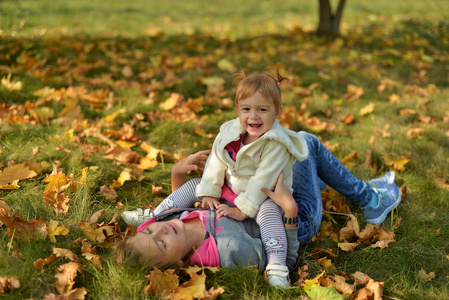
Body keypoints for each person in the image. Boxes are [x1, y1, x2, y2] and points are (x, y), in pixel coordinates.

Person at [121, 133, 402, 287]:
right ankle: (371, 201)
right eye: (160, 241)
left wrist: (176, 174)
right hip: (294, 217)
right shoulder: (230, 248)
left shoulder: (164, 227)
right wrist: (289, 207)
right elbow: (284, 253)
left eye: (150, 229)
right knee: (305, 144)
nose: (161, 228)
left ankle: (335, 184)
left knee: (286, 160)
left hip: (256, 198)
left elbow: (178, 202)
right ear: (179, 264)